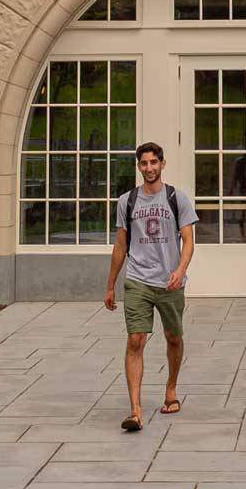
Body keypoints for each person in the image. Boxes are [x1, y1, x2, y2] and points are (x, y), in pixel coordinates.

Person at [102, 141, 195, 432]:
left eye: (154, 162)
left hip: (169, 282)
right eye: (144, 163)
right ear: (138, 166)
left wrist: (180, 270)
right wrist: (110, 285)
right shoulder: (127, 201)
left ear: (162, 164)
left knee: (174, 338)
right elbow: (120, 245)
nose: (149, 168)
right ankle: (135, 411)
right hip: (138, 279)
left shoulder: (176, 198)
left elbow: (189, 241)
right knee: (135, 341)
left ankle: (170, 390)